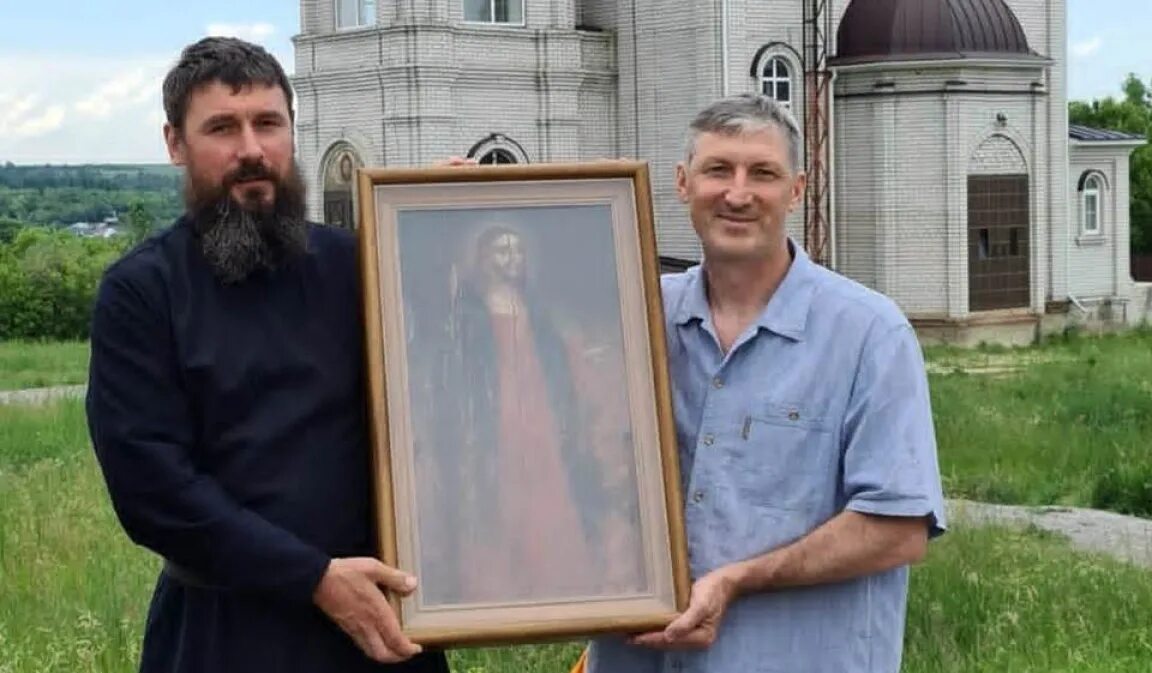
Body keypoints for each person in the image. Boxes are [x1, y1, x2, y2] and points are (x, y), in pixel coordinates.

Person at [84, 36, 449, 673]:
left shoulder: (358, 262)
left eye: (268, 124)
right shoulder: (141, 292)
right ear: (175, 144)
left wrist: (458, 221)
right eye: (222, 127)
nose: (251, 150)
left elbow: (456, 382)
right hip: (225, 632)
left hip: (380, 627)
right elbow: (153, 490)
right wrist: (313, 577)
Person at [586, 94, 947, 672]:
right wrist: (462, 211)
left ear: (797, 190)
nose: (737, 193)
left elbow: (898, 528)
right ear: (682, 183)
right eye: (717, 170)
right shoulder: (636, 316)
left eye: (763, 173)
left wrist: (736, 581)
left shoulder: (869, 334)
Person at [412, 224, 642, 604]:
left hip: (539, 413)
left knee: (547, 485)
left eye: (516, 251)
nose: (511, 260)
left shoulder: (539, 312)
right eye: (502, 251)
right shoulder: (469, 314)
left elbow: (565, 360)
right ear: (484, 258)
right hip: (492, 414)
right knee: (492, 490)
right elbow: (456, 369)